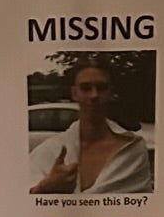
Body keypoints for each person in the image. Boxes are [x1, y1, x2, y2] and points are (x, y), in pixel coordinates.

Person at [28, 57, 153, 195]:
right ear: (75, 93)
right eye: (86, 88)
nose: (94, 95)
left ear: (111, 93)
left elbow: (143, 207)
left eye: (101, 88)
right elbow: (19, 204)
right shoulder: (50, 150)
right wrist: (45, 188)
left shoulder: (132, 149)